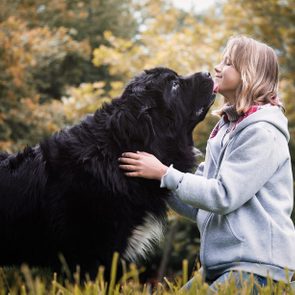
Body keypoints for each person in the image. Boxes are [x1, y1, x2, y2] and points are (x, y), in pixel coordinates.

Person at [118, 35, 295, 292]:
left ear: (249, 74)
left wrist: (165, 173)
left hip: (258, 269)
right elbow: (201, 206)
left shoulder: (262, 133)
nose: (218, 68)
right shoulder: (226, 129)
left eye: (228, 63)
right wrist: (154, 180)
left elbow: (222, 196)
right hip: (223, 266)